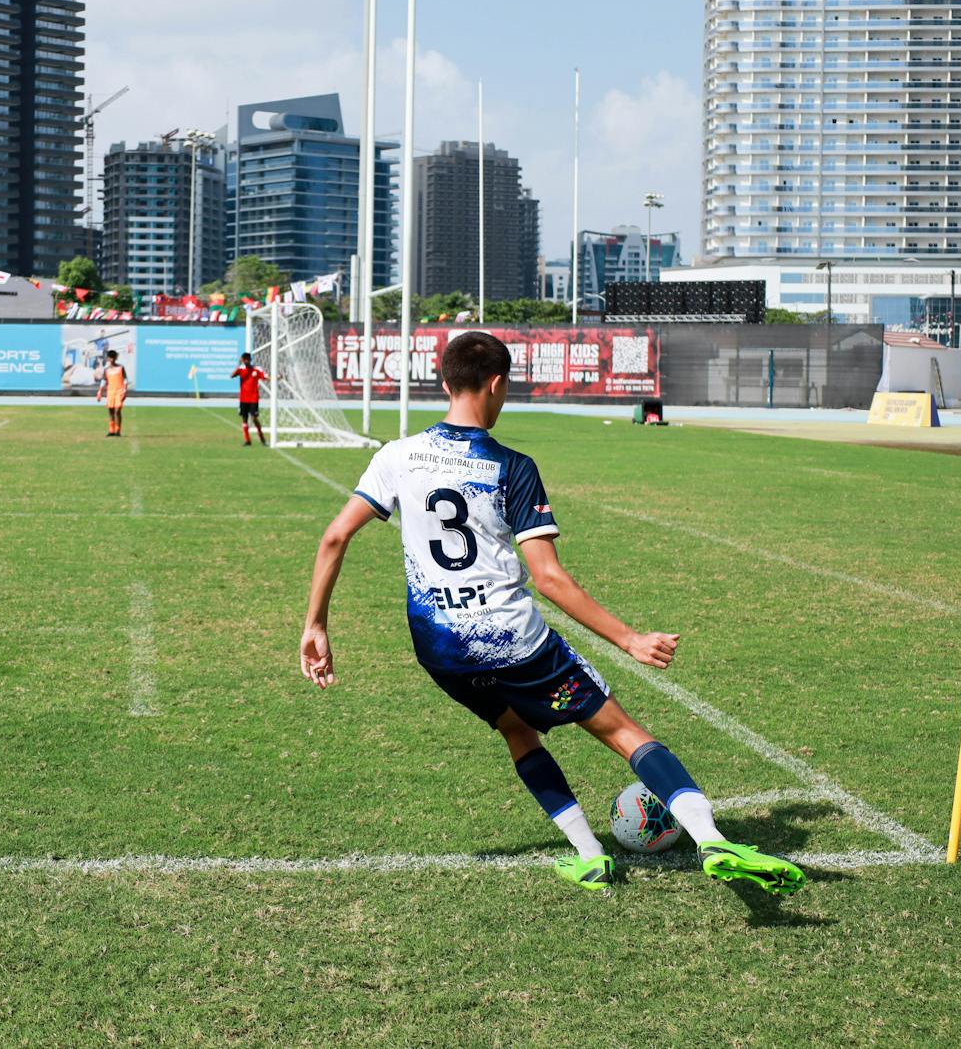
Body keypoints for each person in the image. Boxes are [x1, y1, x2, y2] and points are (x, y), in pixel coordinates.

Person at [299, 331, 806, 896]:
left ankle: (589, 855)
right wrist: (630, 639)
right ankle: (713, 841)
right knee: (624, 733)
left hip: (439, 649)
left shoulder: (396, 456)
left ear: (444, 383)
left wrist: (316, 625)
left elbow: (334, 537)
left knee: (518, 732)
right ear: (497, 384)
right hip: (514, 643)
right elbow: (549, 578)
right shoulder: (509, 465)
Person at [231, 352, 271, 446]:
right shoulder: (241, 369)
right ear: (242, 360)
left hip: (253, 398)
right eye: (244, 360)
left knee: (254, 418)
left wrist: (275, 378)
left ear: (250, 360)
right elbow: (232, 375)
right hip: (243, 399)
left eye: (247, 360)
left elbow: (265, 376)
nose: (246, 361)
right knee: (244, 419)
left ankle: (262, 438)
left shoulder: (256, 369)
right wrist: (238, 365)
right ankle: (247, 440)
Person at [96, 347, 129, 437]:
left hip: (119, 391)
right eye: (110, 357)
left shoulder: (121, 368)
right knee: (110, 410)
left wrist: (125, 390)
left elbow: (125, 379)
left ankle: (118, 430)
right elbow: (104, 380)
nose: (112, 359)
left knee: (117, 410)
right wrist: (100, 391)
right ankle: (111, 430)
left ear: (116, 358)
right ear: (108, 358)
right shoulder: (106, 369)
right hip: (110, 391)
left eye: (113, 357)